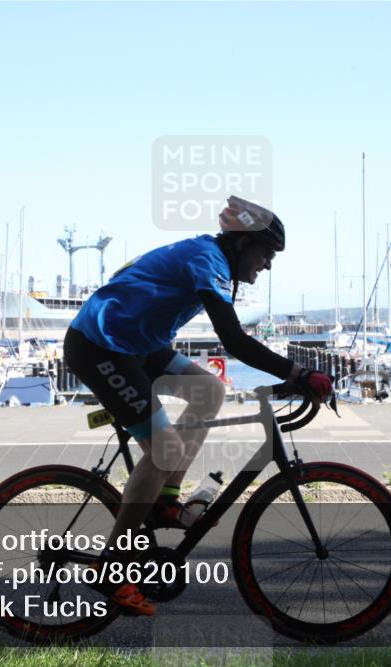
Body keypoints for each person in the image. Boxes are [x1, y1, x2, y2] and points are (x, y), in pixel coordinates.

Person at [64, 195, 333, 615]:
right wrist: (297, 374)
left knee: (210, 390)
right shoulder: (207, 260)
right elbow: (235, 342)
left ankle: (166, 498)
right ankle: (112, 568)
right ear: (243, 242)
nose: (268, 264)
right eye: (266, 253)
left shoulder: (213, 259)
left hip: (136, 345)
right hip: (100, 346)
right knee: (165, 447)